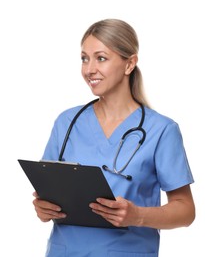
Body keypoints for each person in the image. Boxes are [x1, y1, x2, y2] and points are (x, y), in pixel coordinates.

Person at [32, 18, 195, 257]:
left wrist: (137, 215)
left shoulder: (161, 130)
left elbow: (186, 211)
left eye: (101, 58)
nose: (89, 69)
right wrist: (43, 209)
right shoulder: (67, 122)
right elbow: (47, 192)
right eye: (84, 58)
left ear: (129, 64)